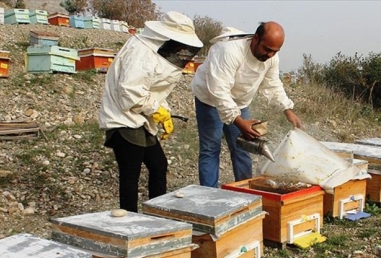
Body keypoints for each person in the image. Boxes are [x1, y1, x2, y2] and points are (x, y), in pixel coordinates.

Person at [98, 11, 203, 212]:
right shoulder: (140, 52)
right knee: (131, 173)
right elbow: (129, 93)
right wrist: (157, 111)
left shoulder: (154, 51)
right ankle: (128, 222)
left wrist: (165, 111)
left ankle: (157, 214)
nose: (182, 50)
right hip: (123, 118)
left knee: (158, 165)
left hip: (140, 118)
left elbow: (154, 90)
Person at [191, 22, 303, 188]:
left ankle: (245, 192)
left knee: (243, 149)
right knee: (211, 149)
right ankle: (210, 196)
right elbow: (219, 91)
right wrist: (239, 121)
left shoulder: (271, 57)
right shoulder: (228, 51)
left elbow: (272, 84)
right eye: (267, 49)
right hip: (210, 99)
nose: (270, 54)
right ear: (256, 39)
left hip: (239, 102)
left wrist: (287, 109)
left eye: (275, 51)